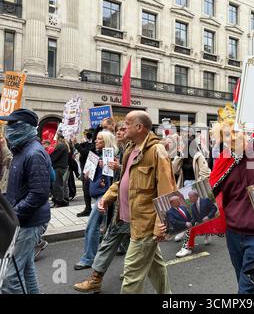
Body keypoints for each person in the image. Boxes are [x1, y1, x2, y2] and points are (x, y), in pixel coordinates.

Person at [99, 110, 176, 294]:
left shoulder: (156, 150)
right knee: (155, 267)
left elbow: (167, 190)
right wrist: (107, 197)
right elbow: (124, 181)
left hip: (146, 224)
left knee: (131, 276)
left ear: (139, 127)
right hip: (133, 221)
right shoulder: (130, 149)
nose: (123, 126)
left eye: (127, 122)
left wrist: (161, 224)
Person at [208, 103, 254, 294]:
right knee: (246, 283)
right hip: (233, 234)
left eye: (234, 132)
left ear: (245, 132)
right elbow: (207, 195)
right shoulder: (223, 161)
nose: (231, 138)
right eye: (225, 134)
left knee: (246, 289)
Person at [0, 109, 52, 294]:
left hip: (29, 222)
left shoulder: (34, 153)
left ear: (25, 128)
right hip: (23, 220)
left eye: (13, 125)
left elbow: (38, 194)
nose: (8, 129)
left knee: (9, 278)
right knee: (27, 269)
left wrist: (12, 215)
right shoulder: (21, 150)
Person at [74, 131, 117, 270]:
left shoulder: (110, 157)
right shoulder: (96, 155)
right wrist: (87, 174)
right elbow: (90, 176)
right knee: (113, 227)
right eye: (96, 139)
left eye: (99, 139)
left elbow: (112, 179)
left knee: (91, 227)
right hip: (97, 195)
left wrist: (109, 165)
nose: (96, 141)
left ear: (106, 141)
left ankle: (88, 258)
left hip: (104, 196)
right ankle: (122, 246)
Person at [173, 136, 212, 257]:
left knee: (195, 215)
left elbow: (205, 172)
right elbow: (174, 170)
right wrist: (179, 156)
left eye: (184, 145)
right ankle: (186, 233)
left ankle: (203, 235)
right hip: (183, 187)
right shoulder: (181, 158)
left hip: (194, 187)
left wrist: (197, 186)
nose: (182, 147)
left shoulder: (198, 156)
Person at [50, 134, 70, 207]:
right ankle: (57, 201)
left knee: (57, 185)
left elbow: (53, 157)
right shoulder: (62, 145)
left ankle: (59, 201)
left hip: (59, 168)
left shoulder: (61, 146)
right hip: (59, 167)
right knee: (57, 185)